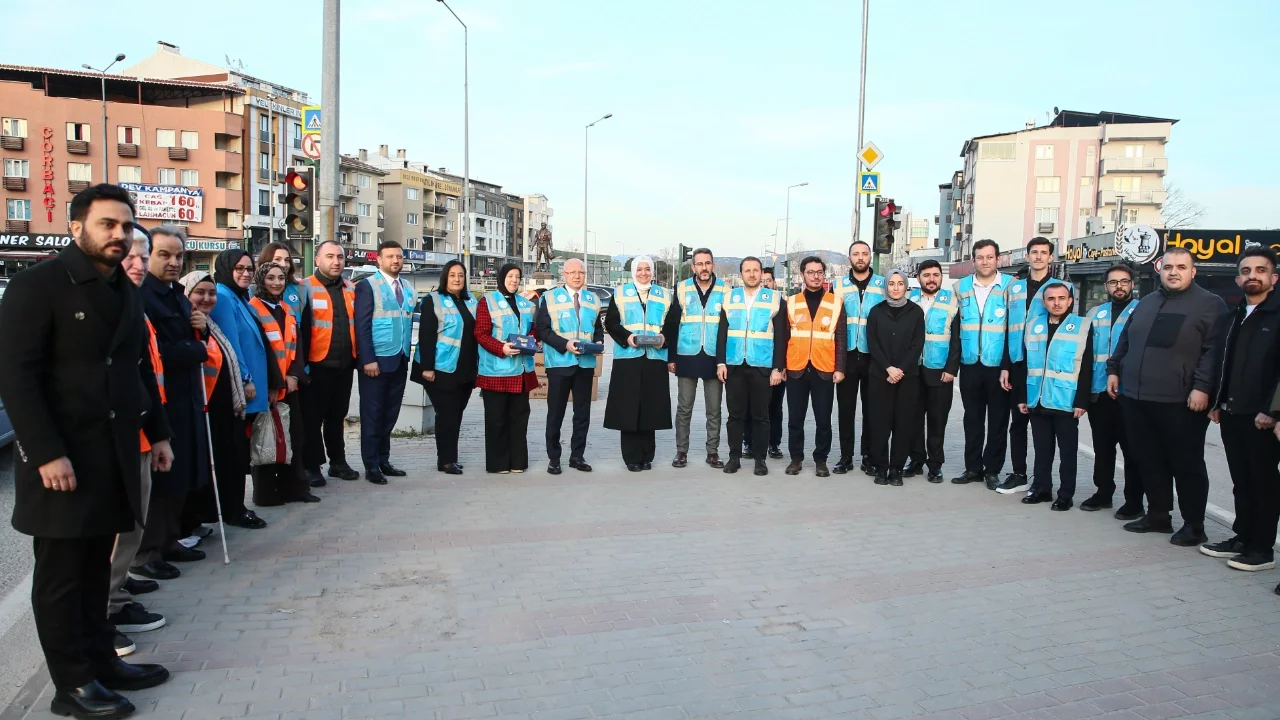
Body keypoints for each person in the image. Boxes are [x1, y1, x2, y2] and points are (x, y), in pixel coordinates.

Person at [0, 184, 173, 719]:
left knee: (97, 569)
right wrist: (46, 452)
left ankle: (102, 661)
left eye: (126, 226)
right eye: (107, 225)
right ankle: (71, 685)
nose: (119, 235)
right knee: (61, 577)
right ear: (77, 227)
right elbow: (16, 379)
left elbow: (137, 368)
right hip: (62, 462)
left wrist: (160, 432)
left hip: (113, 453)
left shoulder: (121, 286)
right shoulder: (38, 286)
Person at [1107, 247, 1227, 545]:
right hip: (1136, 397)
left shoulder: (1210, 305)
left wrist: (1202, 387)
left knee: (1186, 465)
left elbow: (1214, 352)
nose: (1174, 272)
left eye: (1181, 267)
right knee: (1149, 460)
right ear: (1160, 269)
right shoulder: (1147, 302)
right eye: (1169, 266)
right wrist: (1113, 369)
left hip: (1181, 401)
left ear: (1193, 271)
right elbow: (1126, 339)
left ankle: (1194, 524)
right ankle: (1158, 515)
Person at [135, 226, 211, 575]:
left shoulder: (177, 295)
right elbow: (159, 351)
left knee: (179, 473)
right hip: (161, 402)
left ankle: (169, 539)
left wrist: (203, 329)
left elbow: (190, 336)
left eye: (178, 255)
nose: (173, 262)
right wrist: (197, 347)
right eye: (164, 254)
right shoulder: (143, 297)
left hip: (187, 398)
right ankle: (148, 552)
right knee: (160, 478)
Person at [107, 227, 167, 659]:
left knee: (132, 526)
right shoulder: (95, 305)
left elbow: (146, 374)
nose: (139, 264)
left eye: (143, 257)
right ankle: (103, 613)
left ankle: (115, 598)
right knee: (112, 534)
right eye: (131, 255)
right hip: (110, 441)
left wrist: (160, 433)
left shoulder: (132, 305)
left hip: (143, 433)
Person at [1204, 247, 1280, 572]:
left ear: (1273, 278)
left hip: (1262, 418)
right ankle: (1242, 538)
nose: (1253, 276)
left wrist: (1273, 411)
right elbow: (1226, 362)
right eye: (1246, 271)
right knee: (1241, 480)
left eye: (1260, 270)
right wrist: (1218, 402)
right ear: (1238, 279)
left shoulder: (1276, 315)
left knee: (1263, 483)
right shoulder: (1234, 315)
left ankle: (1262, 549)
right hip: (1232, 413)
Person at [179, 272, 262, 530]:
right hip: (204, 407)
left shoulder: (209, 323)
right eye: (199, 293)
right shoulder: (186, 323)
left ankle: (228, 509)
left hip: (225, 406)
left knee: (232, 459)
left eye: (211, 293)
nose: (206, 298)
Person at [1011, 281, 1093, 510]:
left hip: (1066, 402)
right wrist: (1022, 397)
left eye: (1061, 298)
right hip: (1037, 399)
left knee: (1067, 453)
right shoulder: (1034, 325)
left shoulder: (1082, 326)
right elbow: (1025, 364)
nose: (1056, 303)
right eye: (1051, 299)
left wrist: (1081, 401)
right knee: (1042, 450)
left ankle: (1065, 494)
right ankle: (1041, 488)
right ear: (1044, 302)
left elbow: (1087, 367)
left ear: (1070, 301)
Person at [250, 262, 319, 505]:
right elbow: (259, 353)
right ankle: (267, 495)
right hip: (266, 388)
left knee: (294, 438)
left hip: (290, 386)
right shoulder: (253, 310)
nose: (277, 282)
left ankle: (295, 489)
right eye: (270, 278)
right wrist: (273, 385)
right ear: (261, 280)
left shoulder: (287, 309)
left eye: (280, 277)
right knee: (266, 439)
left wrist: (294, 374)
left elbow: (295, 347)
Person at [604, 257, 678, 470]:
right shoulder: (620, 293)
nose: (644, 273)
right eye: (640, 269)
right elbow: (611, 322)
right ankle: (631, 457)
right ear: (633, 271)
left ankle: (647, 456)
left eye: (647, 269)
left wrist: (664, 338)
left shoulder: (664, 295)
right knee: (628, 407)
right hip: (628, 357)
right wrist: (627, 337)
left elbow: (673, 322)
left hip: (654, 358)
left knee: (650, 407)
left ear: (652, 272)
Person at [1081, 264, 1143, 518]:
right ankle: (1103, 492)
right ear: (1106, 286)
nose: (1119, 286)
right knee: (1103, 447)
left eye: (1124, 281)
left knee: (1132, 449)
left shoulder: (1141, 311)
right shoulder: (1095, 313)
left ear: (1132, 284)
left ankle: (1134, 500)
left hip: (1128, 393)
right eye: (1113, 282)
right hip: (1099, 391)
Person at [715, 256, 786, 476]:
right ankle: (734, 457)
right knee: (735, 416)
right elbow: (722, 334)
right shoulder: (730, 298)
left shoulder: (775, 299)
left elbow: (782, 336)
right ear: (741, 273)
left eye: (756, 270)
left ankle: (760, 459)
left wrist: (778, 368)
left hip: (762, 366)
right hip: (735, 365)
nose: (752, 274)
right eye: (748, 270)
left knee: (760, 416)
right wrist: (720, 362)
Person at [996, 236, 1055, 494]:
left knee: (1042, 426)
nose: (1039, 256)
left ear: (1051, 257)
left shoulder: (1059, 287)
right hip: (1018, 363)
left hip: (1044, 365)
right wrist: (1006, 366)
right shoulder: (1015, 288)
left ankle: (1042, 479)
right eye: (1034, 252)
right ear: (1028, 256)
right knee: (1017, 423)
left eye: (1044, 252)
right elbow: (1010, 327)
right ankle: (1019, 473)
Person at [952, 240, 1012, 490]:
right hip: (970, 364)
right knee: (972, 419)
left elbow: (1015, 330)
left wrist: (1008, 365)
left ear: (997, 259)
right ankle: (973, 467)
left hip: (999, 367)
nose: (985, 262)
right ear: (973, 260)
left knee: (998, 420)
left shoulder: (1011, 287)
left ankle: (993, 470)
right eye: (980, 257)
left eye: (989, 257)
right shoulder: (961, 287)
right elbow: (954, 328)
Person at [355, 241, 416, 484]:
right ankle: (371, 465)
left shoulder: (409, 288)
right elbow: (362, 325)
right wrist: (367, 359)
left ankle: (383, 459)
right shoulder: (367, 286)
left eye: (399, 256)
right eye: (390, 256)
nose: (396, 260)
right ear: (378, 260)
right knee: (372, 414)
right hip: (376, 363)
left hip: (399, 358)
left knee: (390, 413)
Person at [536, 259, 604, 474]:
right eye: (572, 272)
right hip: (559, 363)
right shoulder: (549, 297)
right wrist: (565, 344)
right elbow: (543, 330)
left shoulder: (593, 299)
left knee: (582, 413)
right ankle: (554, 458)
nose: (577, 276)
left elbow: (596, 328)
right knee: (556, 413)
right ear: (563, 274)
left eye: (581, 272)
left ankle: (577, 456)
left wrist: (599, 343)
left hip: (584, 365)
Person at [301, 240, 360, 486]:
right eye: (329, 257)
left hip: (344, 365)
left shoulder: (350, 288)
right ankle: (311, 465)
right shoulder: (304, 287)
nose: (336, 262)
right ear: (317, 260)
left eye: (340, 257)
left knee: (337, 416)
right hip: (316, 365)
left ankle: (338, 462)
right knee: (312, 419)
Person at [412, 259, 478, 475]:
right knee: (447, 414)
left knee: (456, 414)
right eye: (452, 275)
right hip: (440, 369)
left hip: (466, 369)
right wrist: (427, 367)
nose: (457, 279)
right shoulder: (433, 300)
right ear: (445, 278)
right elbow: (427, 335)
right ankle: (446, 460)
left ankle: (451, 457)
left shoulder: (471, 301)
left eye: (460, 275)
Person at [784, 256, 848, 477]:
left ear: (824, 274)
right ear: (803, 275)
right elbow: (784, 337)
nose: (815, 276)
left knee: (823, 419)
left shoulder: (836, 302)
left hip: (824, 369)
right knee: (795, 419)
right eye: (811, 272)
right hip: (796, 368)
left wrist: (840, 368)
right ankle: (796, 458)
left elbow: (841, 338)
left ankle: (821, 460)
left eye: (819, 272)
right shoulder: (791, 302)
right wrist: (781, 366)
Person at [474, 264, 538, 473]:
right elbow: (481, 334)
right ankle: (498, 463)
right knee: (497, 419)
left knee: (519, 418)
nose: (514, 280)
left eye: (517, 277)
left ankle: (518, 462)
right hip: (496, 371)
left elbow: (533, 330)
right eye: (510, 276)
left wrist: (533, 341)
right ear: (502, 278)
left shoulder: (525, 303)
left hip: (521, 371)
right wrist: (501, 348)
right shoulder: (488, 301)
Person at [865, 270, 924, 486]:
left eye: (900, 283)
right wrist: (888, 368)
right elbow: (873, 344)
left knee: (903, 424)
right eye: (891, 283)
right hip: (880, 377)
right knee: (880, 424)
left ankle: (896, 469)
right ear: (886, 287)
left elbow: (917, 344)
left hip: (907, 378)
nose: (896, 287)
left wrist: (900, 370)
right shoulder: (876, 312)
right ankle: (881, 468)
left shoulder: (915, 312)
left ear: (906, 285)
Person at [831, 240, 885, 475]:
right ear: (849, 258)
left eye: (864, 254)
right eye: (856, 254)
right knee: (846, 410)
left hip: (875, 356)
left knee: (873, 410)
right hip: (847, 356)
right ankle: (845, 456)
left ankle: (869, 456)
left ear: (870, 257)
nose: (860, 257)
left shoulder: (883, 284)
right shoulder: (838, 286)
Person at [671, 248, 727, 469]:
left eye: (708, 263)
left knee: (714, 409)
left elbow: (728, 327)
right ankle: (681, 451)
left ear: (713, 265)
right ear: (693, 267)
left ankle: (712, 452)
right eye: (699, 264)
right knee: (684, 408)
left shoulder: (726, 289)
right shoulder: (681, 288)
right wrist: (671, 357)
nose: (704, 268)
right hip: (687, 355)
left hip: (715, 357)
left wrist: (725, 360)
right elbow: (673, 324)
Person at [906, 260, 961, 483]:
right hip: (913, 370)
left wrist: (951, 368)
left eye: (935, 275)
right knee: (913, 418)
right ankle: (916, 460)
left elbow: (957, 338)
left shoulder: (952, 301)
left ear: (941, 277)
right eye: (926, 275)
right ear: (918, 277)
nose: (931, 279)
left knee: (937, 420)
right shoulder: (909, 299)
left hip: (940, 371)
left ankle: (935, 465)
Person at [741, 266, 786, 460]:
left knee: (774, 408)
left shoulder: (779, 303)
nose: (766, 283)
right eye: (763, 279)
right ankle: (749, 443)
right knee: (751, 408)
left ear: (773, 283)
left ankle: (773, 444)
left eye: (769, 280)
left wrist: (780, 366)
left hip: (774, 366)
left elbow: (783, 337)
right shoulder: (748, 304)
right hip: (753, 364)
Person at [259, 241, 307, 321]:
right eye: (277, 259)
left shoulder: (300, 290)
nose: (284, 264)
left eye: (287, 260)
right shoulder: (251, 291)